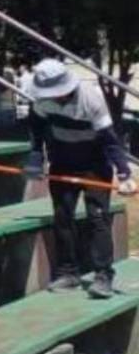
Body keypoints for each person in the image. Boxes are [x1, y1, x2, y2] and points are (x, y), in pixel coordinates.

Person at [26, 58, 137, 298]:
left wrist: (124, 172)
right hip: (62, 164)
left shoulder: (91, 99)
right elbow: (36, 129)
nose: (54, 97)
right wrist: (36, 157)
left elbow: (110, 141)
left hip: (94, 166)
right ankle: (68, 272)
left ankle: (103, 276)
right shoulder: (42, 102)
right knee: (62, 217)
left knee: (98, 218)